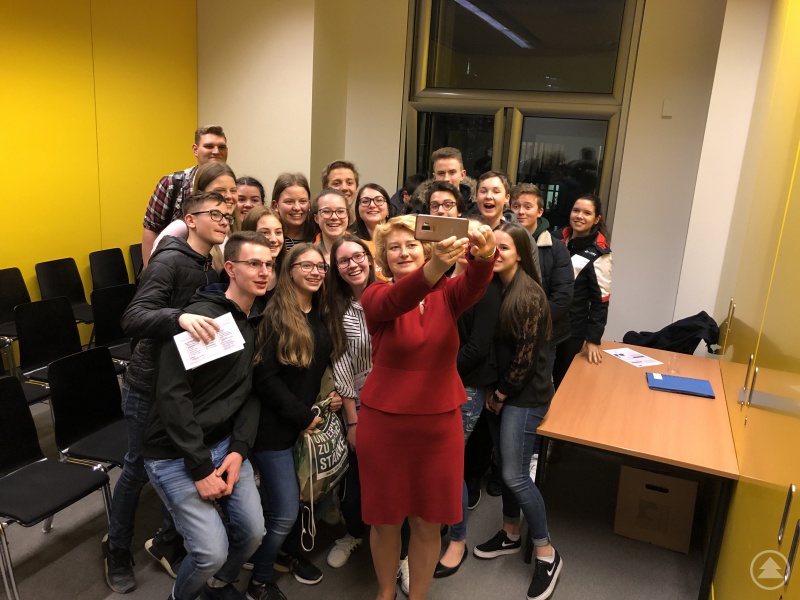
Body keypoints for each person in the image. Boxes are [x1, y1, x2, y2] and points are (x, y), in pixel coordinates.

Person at [359, 214, 497, 600]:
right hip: (384, 425)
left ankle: (417, 595)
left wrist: (484, 253)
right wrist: (436, 264)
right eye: (394, 247)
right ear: (383, 258)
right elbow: (399, 299)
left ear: (424, 248)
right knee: (385, 521)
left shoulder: (447, 294)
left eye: (411, 244)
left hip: (439, 426)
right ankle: (385, 593)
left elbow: (476, 283)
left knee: (428, 522)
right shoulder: (375, 294)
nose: (403, 251)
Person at [101, 191, 233, 594]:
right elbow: (133, 316)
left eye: (229, 214)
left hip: (181, 383)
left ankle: (164, 542)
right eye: (215, 213)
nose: (225, 219)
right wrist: (180, 317)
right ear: (189, 220)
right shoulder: (170, 259)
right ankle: (116, 547)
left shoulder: (207, 264)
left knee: (174, 461)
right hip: (147, 384)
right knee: (138, 466)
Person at [141, 230, 271, 600]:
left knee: (252, 534)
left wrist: (238, 450)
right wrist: (199, 468)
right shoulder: (202, 319)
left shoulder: (257, 319)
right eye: (253, 264)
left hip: (225, 445)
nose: (263, 272)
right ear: (229, 267)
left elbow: (249, 393)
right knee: (209, 553)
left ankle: (216, 585)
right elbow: (172, 396)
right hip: (175, 453)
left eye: (268, 265)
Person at [247, 243, 341, 600]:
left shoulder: (320, 313)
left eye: (321, 267)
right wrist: (302, 415)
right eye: (308, 266)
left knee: (296, 505)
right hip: (275, 431)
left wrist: (326, 399)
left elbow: (316, 371)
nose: (317, 272)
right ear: (288, 272)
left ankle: (279, 557)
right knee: (286, 512)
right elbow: (265, 379)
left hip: (305, 425)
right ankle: (260, 580)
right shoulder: (275, 317)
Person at [474, 222, 562, 600]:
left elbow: (525, 360)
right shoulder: (496, 287)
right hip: (503, 392)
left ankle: (546, 552)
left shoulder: (528, 295)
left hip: (524, 397)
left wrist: (501, 394)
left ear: (521, 254)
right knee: (503, 465)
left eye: (504, 249)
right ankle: (511, 533)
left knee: (514, 474)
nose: (495, 254)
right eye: (492, 247)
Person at [435, 219, 503, 580]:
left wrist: (433, 367)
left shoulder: (485, 287)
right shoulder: (439, 281)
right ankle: (435, 528)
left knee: (449, 465)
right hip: (433, 387)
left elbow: (477, 347)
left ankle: (457, 539)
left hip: (466, 386)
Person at [322, 235, 377, 570]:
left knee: (396, 480)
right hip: (359, 406)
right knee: (355, 483)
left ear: (370, 258)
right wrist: (353, 421)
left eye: (359, 256)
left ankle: (402, 552)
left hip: (398, 405)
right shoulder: (334, 308)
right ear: (336, 269)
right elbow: (341, 367)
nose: (353, 264)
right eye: (344, 261)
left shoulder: (390, 294)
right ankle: (355, 532)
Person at [141, 125, 228, 264]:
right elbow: (151, 229)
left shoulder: (233, 188)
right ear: (195, 150)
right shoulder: (171, 184)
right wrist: (150, 271)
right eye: (209, 146)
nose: (216, 152)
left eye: (221, 147)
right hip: (175, 271)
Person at [510, 183, 574, 367]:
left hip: (543, 335)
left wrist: (530, 324)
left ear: (540, 212)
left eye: (527, 207)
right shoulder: (501, 243)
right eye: (516, 206)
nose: (521, 212)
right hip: (506, 332)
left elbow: (562, 297)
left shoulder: (557, 249)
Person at [552, 193, 612, 388]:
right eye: (576, 210)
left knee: (564, 383)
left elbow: (600, 301)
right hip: (547, 322)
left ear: (596, 219)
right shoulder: (555, 238)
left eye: (587, 213)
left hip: (572, 330)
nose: (579, 216)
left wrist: (593, 338)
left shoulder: (599, 254)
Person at [242, 205, 285, 299]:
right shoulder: (238, 272)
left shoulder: (289, 271)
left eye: (278, 232)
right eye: (265, 232)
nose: (273, 239)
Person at [354, 183, 394, 280]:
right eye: (365, 201)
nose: (372, 205)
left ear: (388, 208)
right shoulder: (351, 242)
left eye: (379, 200)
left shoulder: (400, 238)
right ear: (358, 209)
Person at [271, 172, 314, 249]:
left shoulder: (318, 237)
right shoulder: (271, 239)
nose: (297, 208)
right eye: (289, 202)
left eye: (302, 201)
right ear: (275, 205)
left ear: (309, 204)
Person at [431, 147, 474, 213]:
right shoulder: (421, 211)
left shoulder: (476, 211)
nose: (446, 179)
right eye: (441, 173)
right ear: (434, 177)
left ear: (462, 175)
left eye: (452, 172)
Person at [312, 188, 349, 263]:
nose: (334, 217)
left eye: (340, 211)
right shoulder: (307, 255)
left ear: (348, 215)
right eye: (326, 211)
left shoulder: (366, 250)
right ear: (316, 218)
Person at [321, 160, 359, 225]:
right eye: (337, 183)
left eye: (349, 183)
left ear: (357, 188)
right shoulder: (316, 226)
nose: (344, 188)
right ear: (325, 189)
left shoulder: (365, 225)